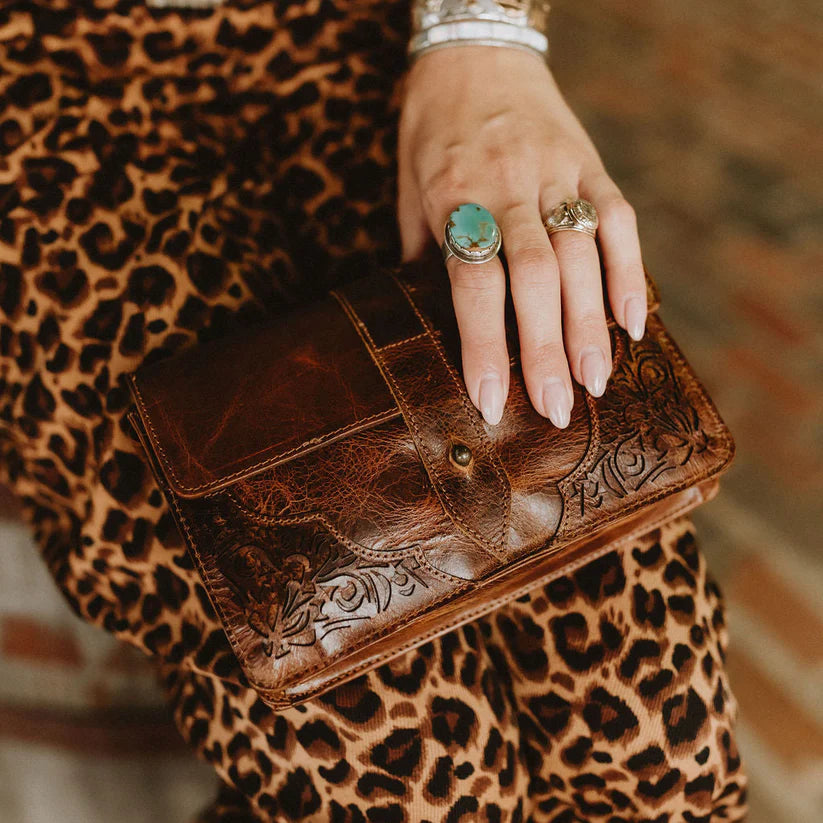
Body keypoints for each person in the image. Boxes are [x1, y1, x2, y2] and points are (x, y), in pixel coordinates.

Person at [0, 0, 748, 820]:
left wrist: (483, 39)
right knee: (403, 778)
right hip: (49, 89)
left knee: (659, 751)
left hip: (353, 45)